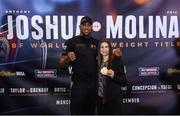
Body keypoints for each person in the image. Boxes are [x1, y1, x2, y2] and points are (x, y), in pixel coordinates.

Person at [59, 16, 121, 115]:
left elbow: (106, 55)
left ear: (92, 27)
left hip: (93, 85)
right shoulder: (71, 42)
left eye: (88, 25)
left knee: (90, 113)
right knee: (76, 112)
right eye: (84, 25)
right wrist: (67, 59)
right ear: (80, 26)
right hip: (78, 84)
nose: (86, 27)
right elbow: (61, 64)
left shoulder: (97, 43)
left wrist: (115, 53)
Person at [97, 38, 127, 115]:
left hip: (114, 100)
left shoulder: (116, 61)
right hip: (100, 101)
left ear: (110, 48)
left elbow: (124, 82)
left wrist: (114, 76)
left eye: (106, 47)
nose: (104, 49)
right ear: (99, 49)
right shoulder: (96, 63)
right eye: (102, 47)